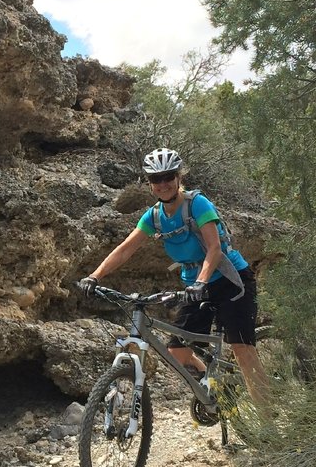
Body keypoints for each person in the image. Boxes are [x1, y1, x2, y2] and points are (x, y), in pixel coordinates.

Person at [79, 148, 270, 408]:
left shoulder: (197, 204)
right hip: (197, 286)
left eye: (168, 176)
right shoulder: (154, 216)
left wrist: (201, 280)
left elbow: (214, 249)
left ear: (179, 177)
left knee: (242, 350)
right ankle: (217, 391)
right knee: (177, 353)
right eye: (156, 179)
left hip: (231, 281)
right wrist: (95, 275)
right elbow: (125, 249)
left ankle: (268, 425)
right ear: (149, 184)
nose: (163, 184)